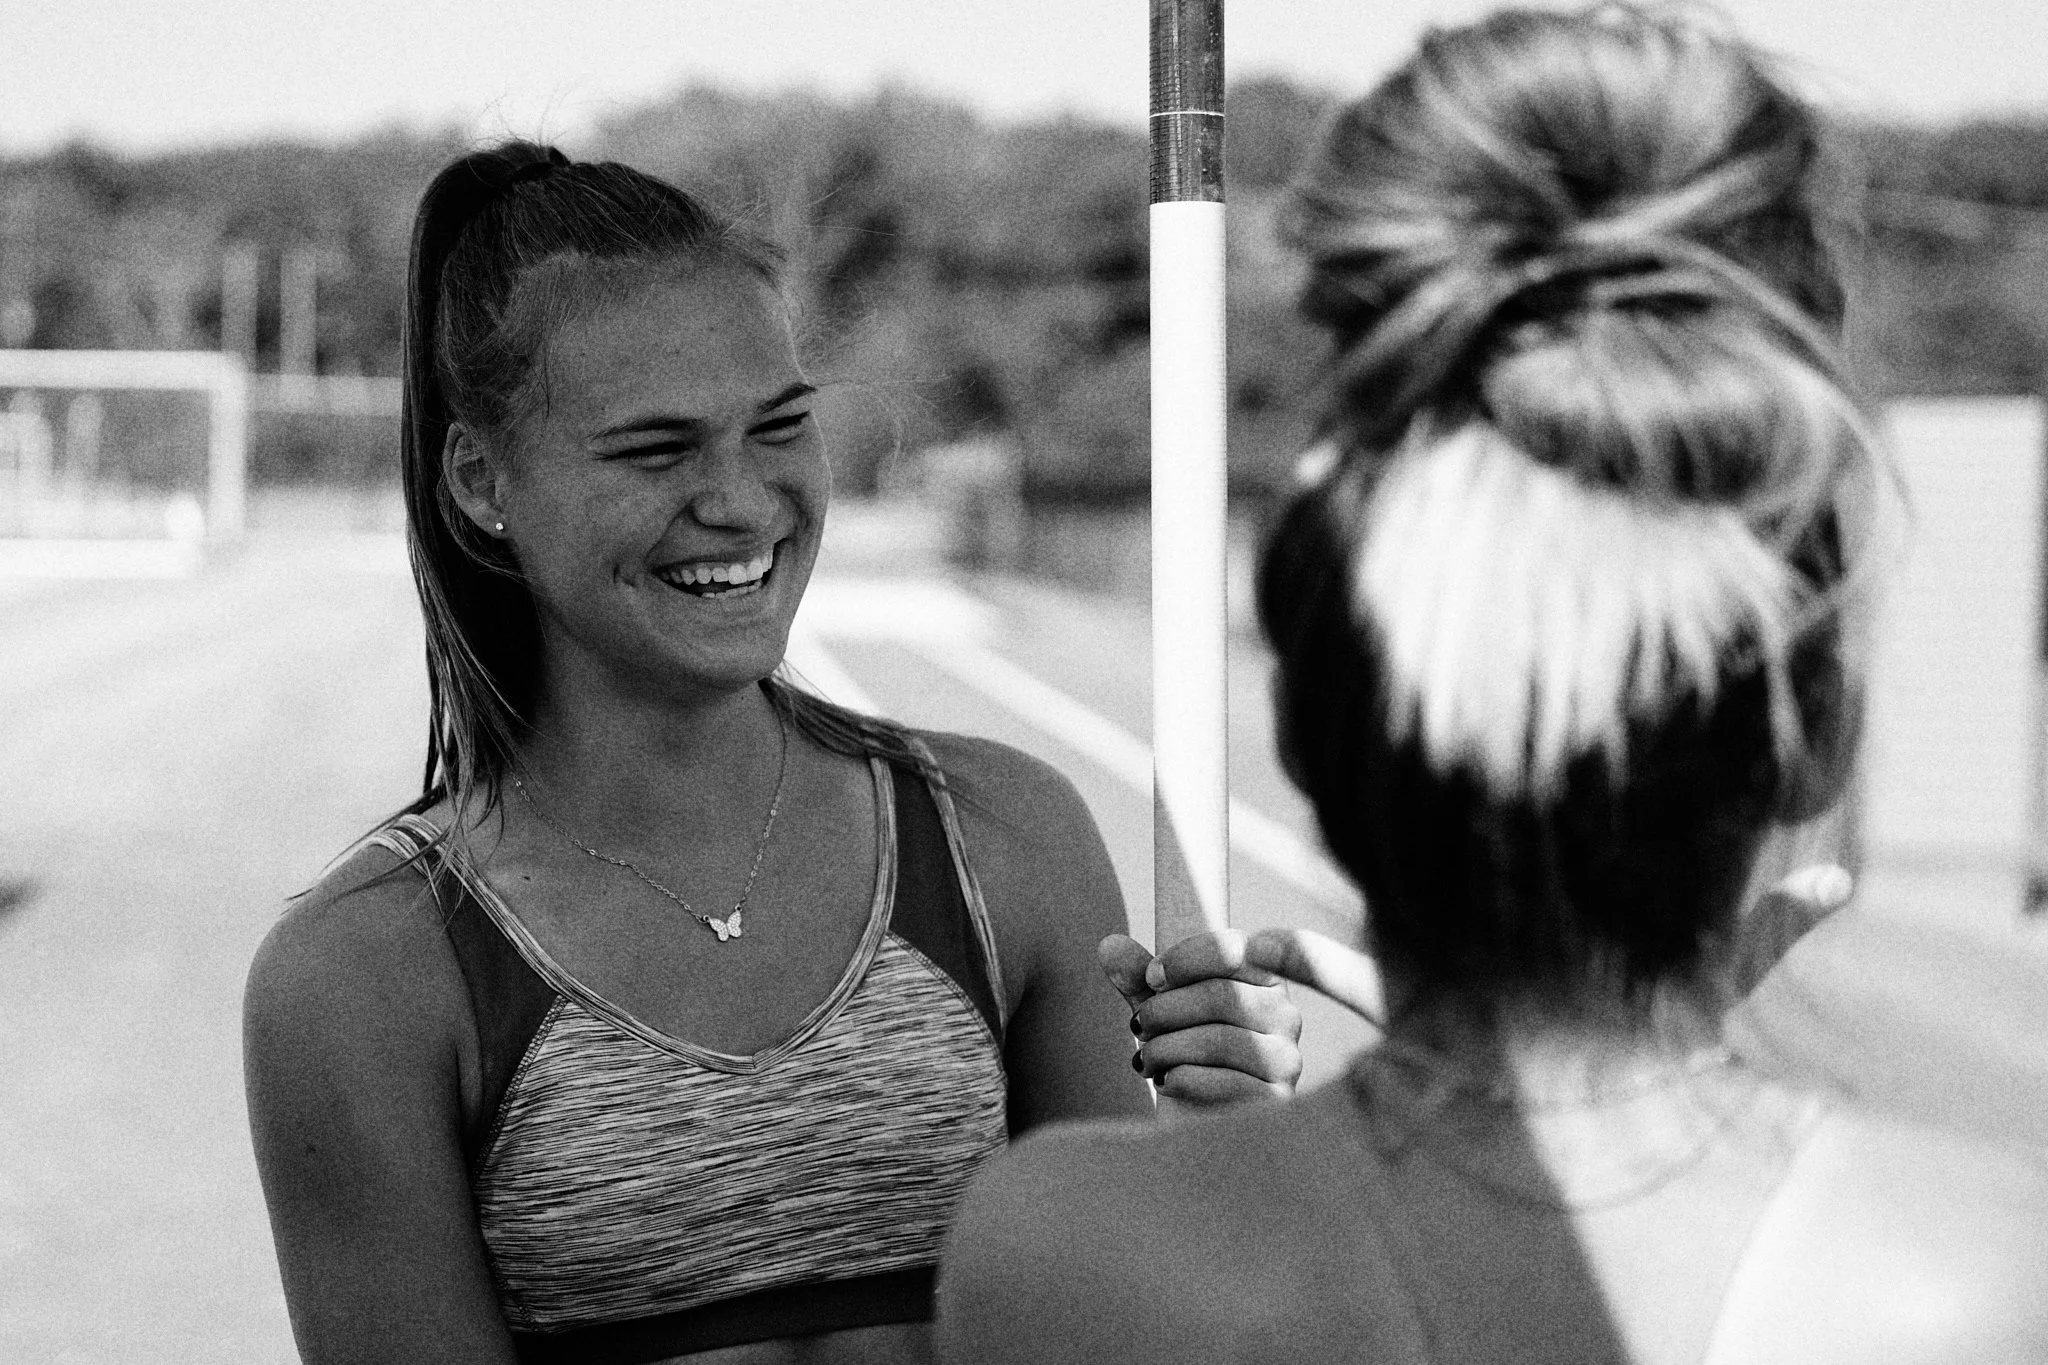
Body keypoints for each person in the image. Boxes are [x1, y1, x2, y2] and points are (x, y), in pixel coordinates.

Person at [936, 8, 2048, 1363]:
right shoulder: (1965, 1276)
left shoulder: (1065, 1252)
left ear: (1312, 732)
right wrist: (1637, 1047)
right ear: (1820, 735)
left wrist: (1257, 1156)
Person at [242, 143, 1304, 1365]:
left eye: (779, 427)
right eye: (656, 451)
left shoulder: (1005, 839)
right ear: (481, 482)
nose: (742, 501)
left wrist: (1219, 1166)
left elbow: (1135, 1334)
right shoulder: (365, 973)